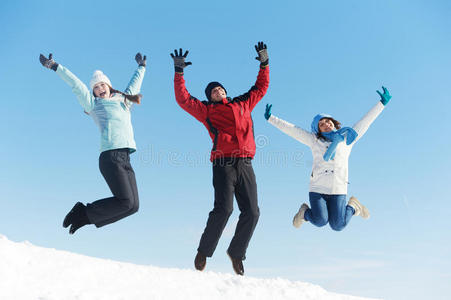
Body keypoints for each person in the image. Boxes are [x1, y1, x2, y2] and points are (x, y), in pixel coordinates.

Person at [171, 42, 270, 275]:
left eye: (220, 89)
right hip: (223, 163)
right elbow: (183, 99)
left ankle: (236, 253)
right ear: (210, 97)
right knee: (224, 209)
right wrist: (179, 73)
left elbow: (261, 87)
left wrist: (264, 63)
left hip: (245, 163)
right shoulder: (207, 111)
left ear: (225, 91)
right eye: (213, 91)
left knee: (252, 212)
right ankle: (204, 252)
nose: (218, 91)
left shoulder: (243, 103)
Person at [39, 52, 147, 234]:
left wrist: (142, 66)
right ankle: (84, 211)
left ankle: (86, 218)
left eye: (102, 85)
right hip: (110, 157)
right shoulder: (93, 105)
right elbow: (77, 85)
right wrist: (55, 66)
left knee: (133, 206)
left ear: (109, 86)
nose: (99, 89)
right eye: (96, 87)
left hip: (125, 157)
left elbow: (134, 84)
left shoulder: (123, 101)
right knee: (126, 202)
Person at [264, 87, 391, 231]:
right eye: (321, 124)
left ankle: (353, 207)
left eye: (327, 121)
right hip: (318, 187)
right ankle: (304, 213)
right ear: (318, 130)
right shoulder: (314, 141)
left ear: (333, 122)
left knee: (338, 225)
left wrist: (381, 104)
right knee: (320, 220)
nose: (326, 124)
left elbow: (365, 122)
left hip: (338, 188)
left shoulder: (347, 138)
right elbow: (293, 130)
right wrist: (271, 119)